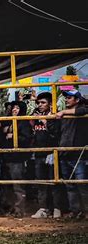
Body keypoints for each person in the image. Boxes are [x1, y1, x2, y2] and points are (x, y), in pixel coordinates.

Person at [47, 90, 88, 219]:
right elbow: (55, 131)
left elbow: (83, 110)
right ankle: (75, 210)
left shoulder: (81, 111)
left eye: (69, 98)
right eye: (66, 97)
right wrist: (52, 117)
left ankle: (85, 210)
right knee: (70, 184)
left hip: (77, 153)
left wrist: (62, 112)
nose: (66, 100)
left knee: (81, 185)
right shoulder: (63, 116)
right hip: (65, 153)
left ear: (77, 100)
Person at [30, 92, 63, 219]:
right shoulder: (35, 115)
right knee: (41, 182)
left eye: (43, 103)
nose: (40, 105)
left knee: (54, 182)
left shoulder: (55, 116)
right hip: (39, 153)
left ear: (50, 104)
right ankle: (43, 208)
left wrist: (46, 122)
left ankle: (57, 208)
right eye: (38, 103)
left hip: (52, 152)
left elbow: (57, 133)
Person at [2, 101, 32, 217]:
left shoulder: (23, 123)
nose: (14, 110)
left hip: (17, 158)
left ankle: (19, 209)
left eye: (17, 108)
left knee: (17, 185)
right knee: (8, 185)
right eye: (13, 107)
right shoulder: (9, 121)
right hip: (7, 157)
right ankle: (11, 208)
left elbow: (27, 138)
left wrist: (14, 136)